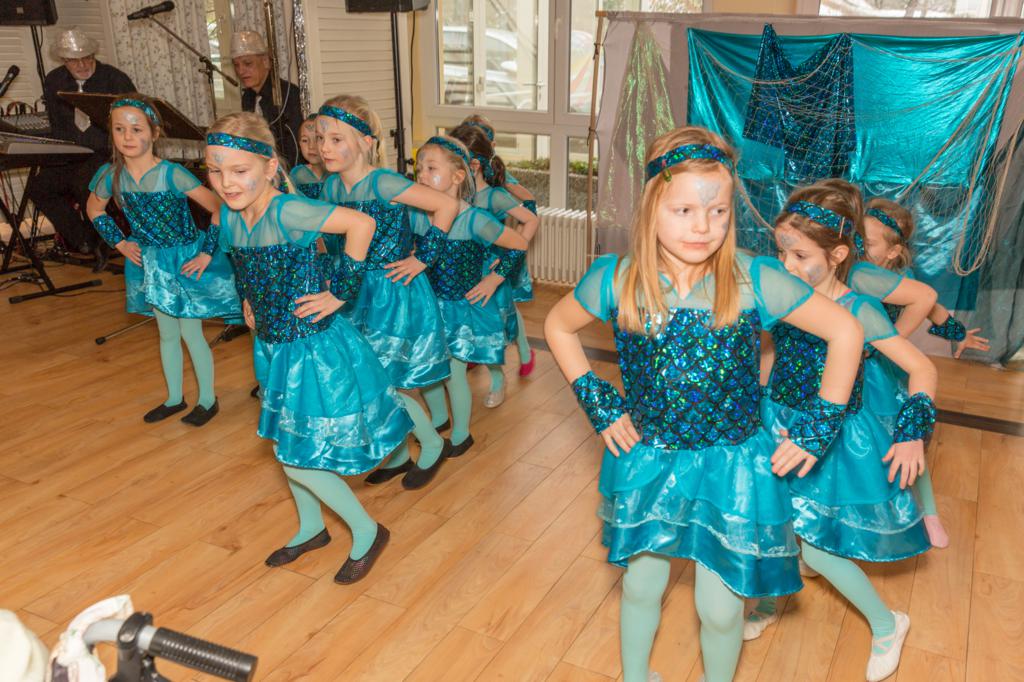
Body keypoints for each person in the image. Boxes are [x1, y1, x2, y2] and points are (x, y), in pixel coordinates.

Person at [544, 126, 864, 682]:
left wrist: (819, 428)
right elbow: (556, 324)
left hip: (732, 468)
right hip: (649, 458)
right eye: (685, 210)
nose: (703, 226)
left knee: (719, 610)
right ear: (651, 207)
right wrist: (598, 402)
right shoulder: (617, 278)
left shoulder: (754, 278)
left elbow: (846, 331)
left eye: (718, 212)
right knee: (641, 586)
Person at [207, 111, 412, 583]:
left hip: (312, 348)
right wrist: (247, 299)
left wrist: (341, 291)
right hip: (271, 346)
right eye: (215, 171)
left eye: (239, 170)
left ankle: (367, 530)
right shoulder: (232, 215)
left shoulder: (288, 210)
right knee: (287, 440)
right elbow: (242, 264)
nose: (226, 182)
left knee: (295, 454)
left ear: (269, 167)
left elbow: (361, 224)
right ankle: (311, 527)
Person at [747, 182, 935, 682]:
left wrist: (911, 432)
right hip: (778, 421)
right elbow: (770, 349)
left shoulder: (859, 309)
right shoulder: (786, 295)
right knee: (771, 520)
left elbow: (922, 369)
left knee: (814, 545)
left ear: (838, 255)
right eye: (781, 252)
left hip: (831, 438)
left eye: (800, 255)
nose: (786, 265)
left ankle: (887, 623)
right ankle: (769, 601)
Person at [316, 95, 460, 490]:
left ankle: (432, 443)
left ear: (365, 142)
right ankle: (397, 456)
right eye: (321, 139)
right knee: (365, 377)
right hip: (351, 292)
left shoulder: (383, 182)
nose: (325, 148)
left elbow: (446, 207)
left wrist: (423, 258)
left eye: (336, 139)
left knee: (384, 379)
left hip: (391, 293)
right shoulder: (330, 186)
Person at [86, 96, 238, 426]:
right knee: (167, 333)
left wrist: (206, 252)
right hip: (150, 262)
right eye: (119, 129)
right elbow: (94, 209)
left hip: (183, 261)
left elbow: (218, 208)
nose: (127, 136)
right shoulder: (111, 176)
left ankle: (207, 400)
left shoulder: (172, 174)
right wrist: (120, 242)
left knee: (190, 333)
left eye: (136, 129)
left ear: (154, 133)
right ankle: (174, 398)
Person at [412, 135, 529, 463]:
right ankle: (439, 419)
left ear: (458, 176)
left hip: (460, 311)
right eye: (418, 169)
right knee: (428, 368)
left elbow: (518, 244)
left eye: (431, 168)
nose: (421, 175)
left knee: (453, 371)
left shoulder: (474, 219)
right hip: (427, 308)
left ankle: (461, 434)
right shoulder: (416, 215)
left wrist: (494, 278)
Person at [450, 123, 541, 405]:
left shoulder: (494, 196)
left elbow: (530, 219)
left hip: (487, 274)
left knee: (490, 331)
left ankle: (498, 377)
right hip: (459, 273)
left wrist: (509, 252)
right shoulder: (454, 196)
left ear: (473, 165)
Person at [28, 28, 135, 265]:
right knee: (40, 187)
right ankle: (84, 240)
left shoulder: (115, 79)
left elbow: (134, 121)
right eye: (74, 61)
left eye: (87, 58)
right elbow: (57, 124)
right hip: (71, 153)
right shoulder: (54, 80)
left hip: (107, 152)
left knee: (84, 182)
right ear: (63, 60)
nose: (82, 65)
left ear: (94, 55)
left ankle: (104, 240)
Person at [231, 30, 303, 168]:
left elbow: (295, 146)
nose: (241, 71)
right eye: (236, 65)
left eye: (247, 63)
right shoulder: (247, 97)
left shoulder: (288, 93)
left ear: (265, 62)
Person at [290, 114, 326, 199]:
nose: (311, 146)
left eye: (318, 139)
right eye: (305, 140)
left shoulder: (337, 174)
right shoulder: (297, 175)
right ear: (299, 144)